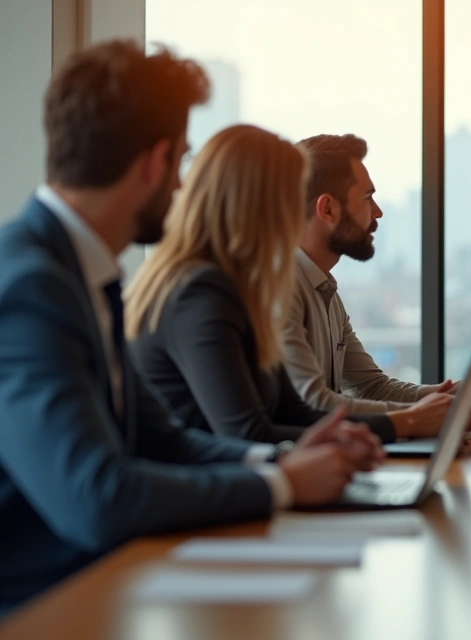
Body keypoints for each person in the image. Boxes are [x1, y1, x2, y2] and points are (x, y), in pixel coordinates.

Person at [0, 41, 379, 615]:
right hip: (46, 606)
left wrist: (280, 462)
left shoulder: (80, 275)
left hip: (102, 583)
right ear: (155, 162)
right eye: (180, 161)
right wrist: (281, 485)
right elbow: (98, 497)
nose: (182, 186)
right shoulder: (31, 286)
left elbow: (164, 439)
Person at [126, 126, 454, 446]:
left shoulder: (244, 289)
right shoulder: (201, 293)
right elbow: (248, 435)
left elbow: (297, 412)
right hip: (218, 480)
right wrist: (408, 421)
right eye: (289, 198)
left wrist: (417, 416)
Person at [283, 134, 471, 425]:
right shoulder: (281, 288)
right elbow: (313, 404)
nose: (377, 211)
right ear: (327, 208)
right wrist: (417, 417)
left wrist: (450, 396)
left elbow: (371, 388)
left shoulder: (325, 289)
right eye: (367, 198)